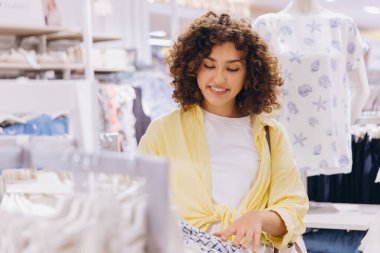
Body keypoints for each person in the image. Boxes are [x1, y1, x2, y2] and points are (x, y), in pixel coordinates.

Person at [138, 11, 308, 252]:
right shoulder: (162, 131)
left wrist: (258, 218)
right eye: (209, 65)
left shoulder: (271, 133)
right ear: (193, 67)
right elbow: (140, 202)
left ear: (250, 74)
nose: (219, 78)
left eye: (233, 69)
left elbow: (293, 208)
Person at [253, 0, 370, 176]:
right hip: (281, 133)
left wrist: (339, 133)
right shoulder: (267, 25)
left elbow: (362, 90)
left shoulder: (342, 26)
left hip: (325, 139)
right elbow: (256, 90)